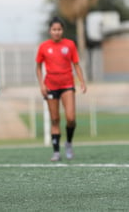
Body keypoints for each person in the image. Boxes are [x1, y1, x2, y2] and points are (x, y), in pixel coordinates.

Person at [35, 16, 87, 162]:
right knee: (55, 119)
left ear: (62, 30)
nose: (56, 32)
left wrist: (82, 81)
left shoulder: (70, 45)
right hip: (50, 86)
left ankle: (69, 143)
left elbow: (76, 64)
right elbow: (38, 67)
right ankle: (56, 152)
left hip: (67, 85)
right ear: (50, 31)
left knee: (71, 118)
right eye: (54, 29)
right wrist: (41, 84)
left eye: (59, 29)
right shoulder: (44, 47)